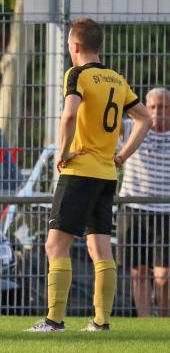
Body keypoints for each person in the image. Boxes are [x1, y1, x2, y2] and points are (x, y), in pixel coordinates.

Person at [26, 18, 151, 332]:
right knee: (100, 248)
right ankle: (100, 322)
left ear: (76, 46)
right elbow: (144, 119)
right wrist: (121, 156)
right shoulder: (116, 79)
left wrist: (63, 152)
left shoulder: (77, 74)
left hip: (80, 171)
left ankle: (54, 321)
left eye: (69, 45)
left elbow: (69, 114)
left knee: (55, 246)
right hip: (107, 174)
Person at [117, 87, 170, 317]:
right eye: (153, 107)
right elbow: (108, 121)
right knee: (138, 271)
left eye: (164, 107)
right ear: (146, 109)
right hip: (134, 208)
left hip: (166, 210)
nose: (158, 112)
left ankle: (164, 322)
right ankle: (145, 322)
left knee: (164, 275)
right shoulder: (131, 128)